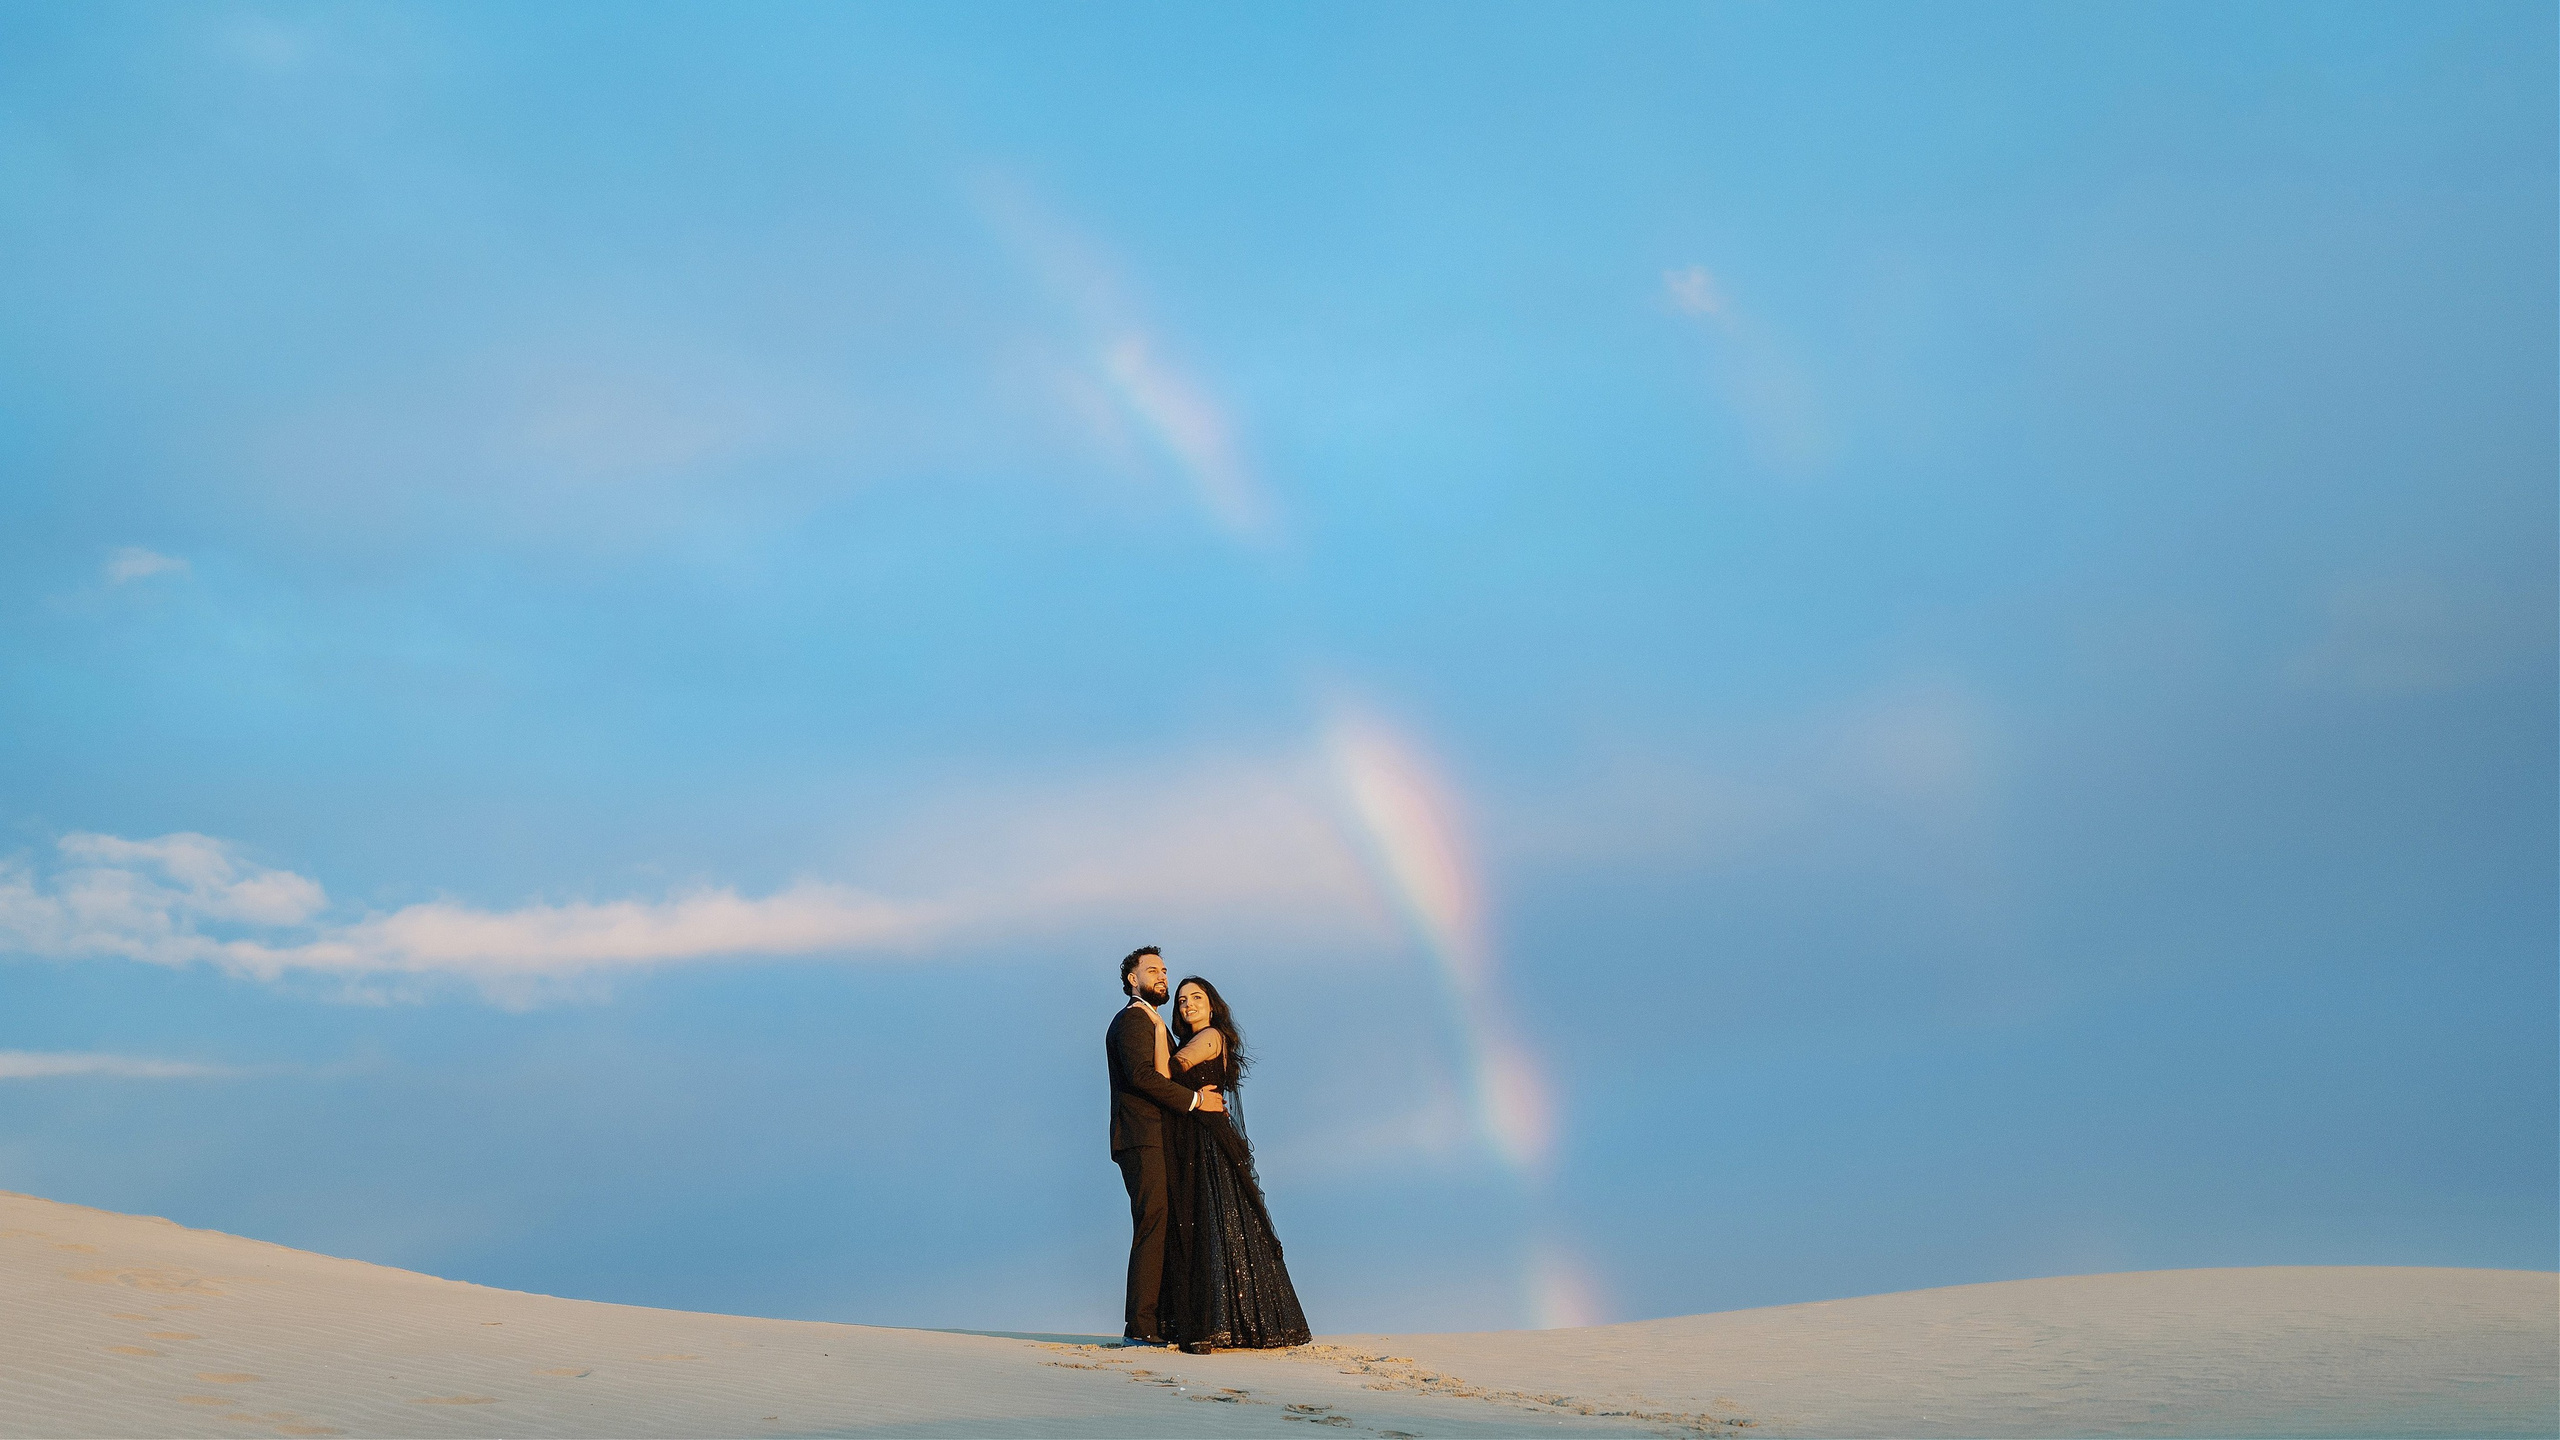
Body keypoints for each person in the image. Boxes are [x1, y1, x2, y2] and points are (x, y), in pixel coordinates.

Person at [1158, 975, 1311, 1353]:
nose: (1187, 1004)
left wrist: (1153, 1038)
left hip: (1205, 1141)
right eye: (1181, 1000)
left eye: (1196, 997)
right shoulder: (1201, 1038)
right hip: (1202, 1134)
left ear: (1212, 1006)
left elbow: (1171, 1070)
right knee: (1220, 1226)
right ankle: (1222, 1321)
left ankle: (1211, 1324)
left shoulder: (1208, 1037)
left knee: (1208, 1223)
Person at [1105, 946, 1223, 1346]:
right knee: (1153, 1224)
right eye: (1151, 970)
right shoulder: (1133, 1020)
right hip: (1142, 1138)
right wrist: (1195, 1101)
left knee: (1164, 1225)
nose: (1161, 976)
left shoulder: (1157, 1024)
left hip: (1159, 1138)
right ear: (1131, 980)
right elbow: (1142, 1076)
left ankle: (1160, 1322)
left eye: (1164, 970)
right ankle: (1138, 1328)